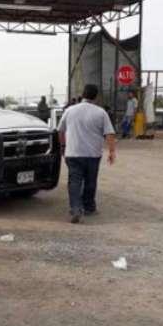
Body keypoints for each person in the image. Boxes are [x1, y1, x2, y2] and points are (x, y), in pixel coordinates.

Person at [58, 84, 116, 224]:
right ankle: (89, 207)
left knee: (74, 182)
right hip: (92, 154)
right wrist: (111, 151)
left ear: (83, 94)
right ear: (96, 96)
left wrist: (63, 146)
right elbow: (109, 133)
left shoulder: (69, 110)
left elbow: (60, 131)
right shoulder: (101, 112)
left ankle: (76, 209)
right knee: (90, 181)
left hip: (73, 153)